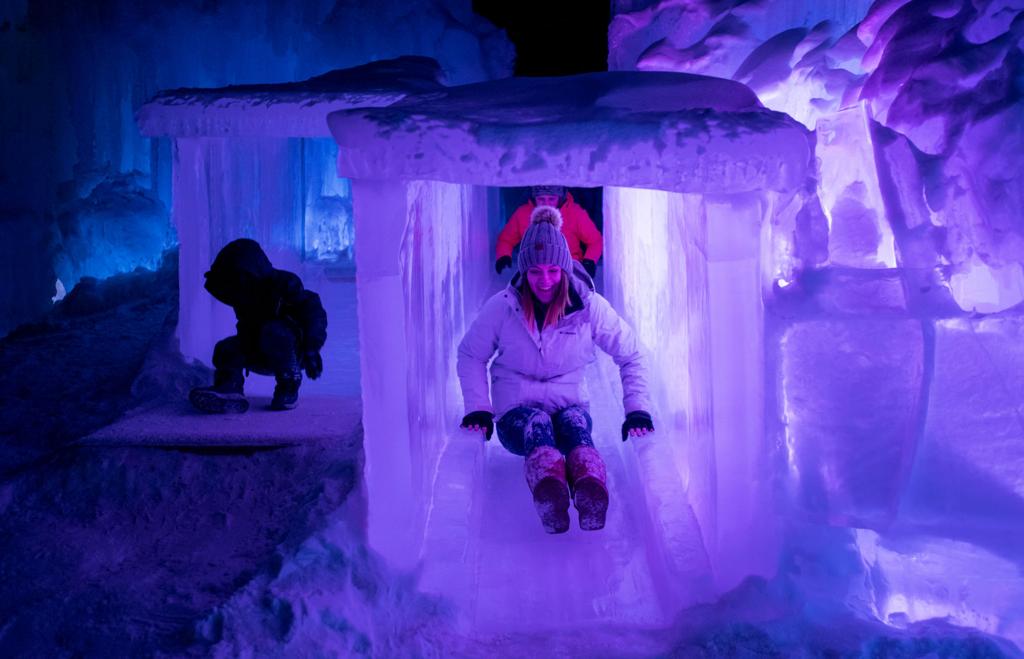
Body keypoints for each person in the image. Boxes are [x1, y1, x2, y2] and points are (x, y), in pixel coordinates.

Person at [459, 206, 654, 534]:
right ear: (524, 271)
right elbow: (470, 354)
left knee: (575, 425)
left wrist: (637, 409)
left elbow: (630, 354)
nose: (544, 280)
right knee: (537, 425)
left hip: (569, 403)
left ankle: (591, 489)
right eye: (535, 271)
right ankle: (550, 496)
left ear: (564, 269)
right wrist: (478, 408)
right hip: (516, 412)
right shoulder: (504, 308)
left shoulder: (588, 308)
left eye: (552, 270)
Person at [189, 238, 327, 413]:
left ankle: (289, 383)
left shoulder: (284, 284)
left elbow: (313, 311)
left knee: (274, 331)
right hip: (259, 349)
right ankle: (230, 387)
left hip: (292, 352)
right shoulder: (244, 292)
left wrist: (311, 348)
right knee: (226, 348)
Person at [495, 185, 603, 279]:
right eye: (541, 199)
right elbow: (506, 239)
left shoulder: (575, 213)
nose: (546, 204)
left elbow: (595, 240)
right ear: (534, 198)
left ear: (560, 198)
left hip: (569, 270)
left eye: (551, 199)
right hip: (533, 268)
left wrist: (589, 260)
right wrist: (503, 255)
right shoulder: (522, 214)